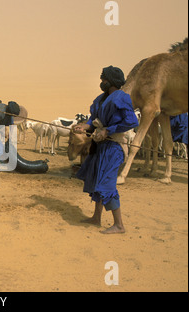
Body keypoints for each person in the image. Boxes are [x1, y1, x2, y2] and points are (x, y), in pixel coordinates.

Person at [73, 66, 139, 234]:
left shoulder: (122, 98)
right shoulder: (101, 99)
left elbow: (131, 121)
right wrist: (84, 127)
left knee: (107, 185)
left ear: (111, 81)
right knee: (97, 180)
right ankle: (96, 218)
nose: (101, 82)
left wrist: (108, 130)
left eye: (104, 79)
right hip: (100, 147)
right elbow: (93, 119)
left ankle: (119, 225)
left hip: (114, 148)